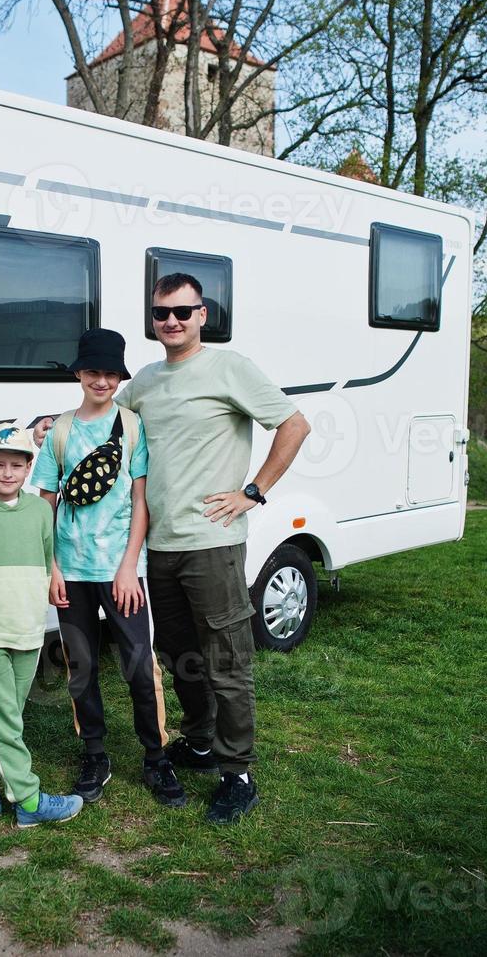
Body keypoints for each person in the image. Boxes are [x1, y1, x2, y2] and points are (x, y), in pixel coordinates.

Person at [120, 272, 312, 824]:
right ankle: (201, 744)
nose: (172, 321)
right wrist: (48, 426)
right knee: (181, 656)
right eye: (162, 313)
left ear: (203, 314)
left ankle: (238, 774)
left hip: (214, 543)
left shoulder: (229, 368)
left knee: (227, 660)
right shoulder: (148, 380)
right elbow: (107, 416)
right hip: (161, 544)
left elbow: (294, 425)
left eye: (183, 311)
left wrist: (254, 491)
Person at [33, 328, 185, 808]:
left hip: (120, 570)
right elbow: (45, 505)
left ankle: (156, 756)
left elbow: (141, 502)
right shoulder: (59, 431)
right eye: (93, 372)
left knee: (140, 664)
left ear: (120, 378)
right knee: (80, 667)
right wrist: (52, 568)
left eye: (111, 374)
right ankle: (94, 753)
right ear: (79, 374)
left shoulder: (133, 426)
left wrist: (127, 569)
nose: (102, 381)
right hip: (70, 573)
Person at [0, 423, 85, 828]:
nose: (7, 473)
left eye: (17, 466)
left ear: (28, 470)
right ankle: (28, 801)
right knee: (4, 715)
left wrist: (50, 597)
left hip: (28, 630)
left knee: (9, 716)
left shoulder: (41, 511)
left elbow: (47, 564)